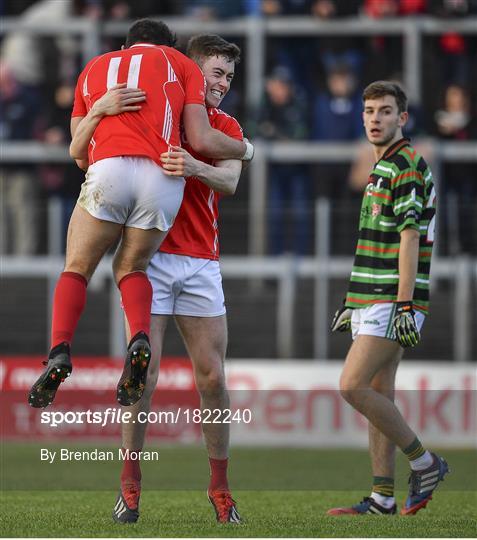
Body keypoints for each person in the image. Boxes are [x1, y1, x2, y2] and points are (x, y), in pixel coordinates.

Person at [28, 19, 254, 410]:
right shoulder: (180, 67)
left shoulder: (93, 67)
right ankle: (140, 338)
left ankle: (60, 349)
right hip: (161, 176)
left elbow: (78, 154)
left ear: (127, 44)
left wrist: (100, 109)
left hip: (108, 167)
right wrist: (248, 150)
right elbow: (200, 138)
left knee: (77, 268)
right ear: (171, 48)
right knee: (131, 267)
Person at [71, 33, 244, 524]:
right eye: (216, 72)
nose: (223, 84)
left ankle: (220, 489)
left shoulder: (225, 126)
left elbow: (230, 179)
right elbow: (97, 159)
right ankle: (129, 489)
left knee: (211, 377)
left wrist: (195, 165)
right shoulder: (157, 109)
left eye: (229, 76)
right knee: (142, 376)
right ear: (188, 70)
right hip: (152, 261)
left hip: (202, 261)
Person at [328, 81, 447, 516]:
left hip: (390, 301)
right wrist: (353, 298)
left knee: (351, 386)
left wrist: (404, 303)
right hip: (370, 297)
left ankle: (426, 462)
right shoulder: (383, 167)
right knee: (380, 395)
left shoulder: (407, 166)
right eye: (369, 111)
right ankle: (383, 498)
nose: (375, 119)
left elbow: (410, 239)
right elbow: (377, 243)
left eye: (385, 111)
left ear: (403, 118)